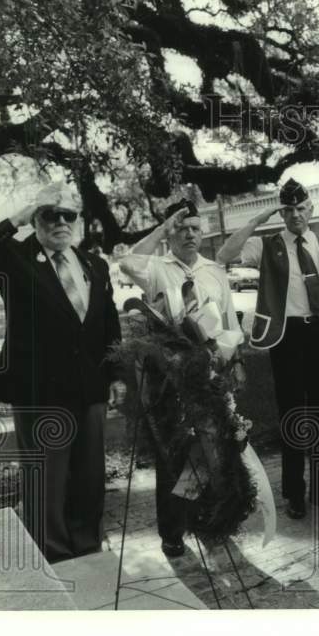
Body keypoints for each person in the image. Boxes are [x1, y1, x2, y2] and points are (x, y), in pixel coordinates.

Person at [0, 181, 125, 563]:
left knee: (89, 479)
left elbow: (107, 323)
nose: (61, 222)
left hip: (89, 389)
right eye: (51, 214)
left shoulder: (93, 264)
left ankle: (88, 551)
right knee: (46, 484)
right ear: (36, 219)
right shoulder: (15, 258)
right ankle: (55, 557)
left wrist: (115, 374)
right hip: (41, 392)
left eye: (69, 215)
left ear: (78, 220)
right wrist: (18, 216)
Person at [216, 178, 319, 520]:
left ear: (311, 209)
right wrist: (259, 219)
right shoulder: (267, 244)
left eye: (301, 208)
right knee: (293, 415)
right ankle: (295, 493)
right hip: (286, 337)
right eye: (288, 209)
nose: (295, 215)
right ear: (282, 212)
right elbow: (224, 254)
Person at [119, 199, 242, 557]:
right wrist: (160, 228)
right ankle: (172, 531)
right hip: (168, 378)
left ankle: (206, 520)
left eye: (195, 229)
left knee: (210, 452)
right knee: (173, 455)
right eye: (181, 229)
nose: (189, 235)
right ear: (170, 233)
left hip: (211, 375)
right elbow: (127, 262)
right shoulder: (157, 267)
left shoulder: (213, 270)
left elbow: (230, 321)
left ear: (203, 233)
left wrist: (236, 364)